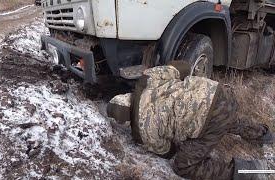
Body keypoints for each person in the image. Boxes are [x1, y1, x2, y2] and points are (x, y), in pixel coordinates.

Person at [107, 62, 274, 180]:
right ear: (125, 97)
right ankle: (264, 134)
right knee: (227, 118)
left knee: (183, 166)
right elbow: (182, 67)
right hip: (218, 92)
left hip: (209, 122)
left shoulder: (142, 133)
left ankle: (250, 171)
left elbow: (167, 151)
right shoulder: (148, 79)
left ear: (126, 122)